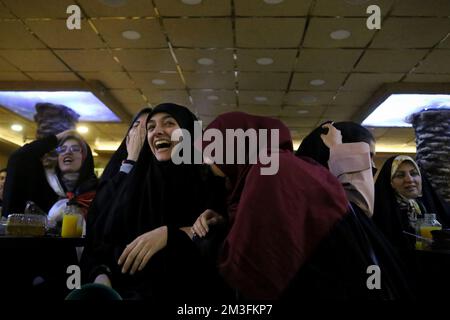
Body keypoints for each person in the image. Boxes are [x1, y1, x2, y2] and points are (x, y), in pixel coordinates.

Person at [193, 112, 408, 301]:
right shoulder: (272, 168)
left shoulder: (270, 171)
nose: (208, 160)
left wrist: (202, 241)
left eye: (212, 151)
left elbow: (253, 264)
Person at [87, 103, 228, 301]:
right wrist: (102, 275)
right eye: (151, 127)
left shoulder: (210, 182)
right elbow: (105, 244)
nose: (157, 132)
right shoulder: (136, 185)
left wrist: (171, 235)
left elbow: (220, 247)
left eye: (169, 123)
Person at [82, 107, 152, 286]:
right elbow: (102, 217)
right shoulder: (115, 170)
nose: (139, 133)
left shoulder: (157, 177)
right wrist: (130, 162)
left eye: (147, 127)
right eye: (135, 126)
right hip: (103, 270)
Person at [2, 130, 98, 218]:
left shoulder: (97, 191)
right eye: (62, 149)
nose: (67, 152)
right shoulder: (41, 185)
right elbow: (18, 158)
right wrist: (57, 138)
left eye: (75, 149)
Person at [373, 155, 450, 254]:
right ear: (390, 182)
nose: (409, 180)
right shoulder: (381, 213)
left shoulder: (434, 206)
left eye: (414, 173)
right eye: (400, 175)